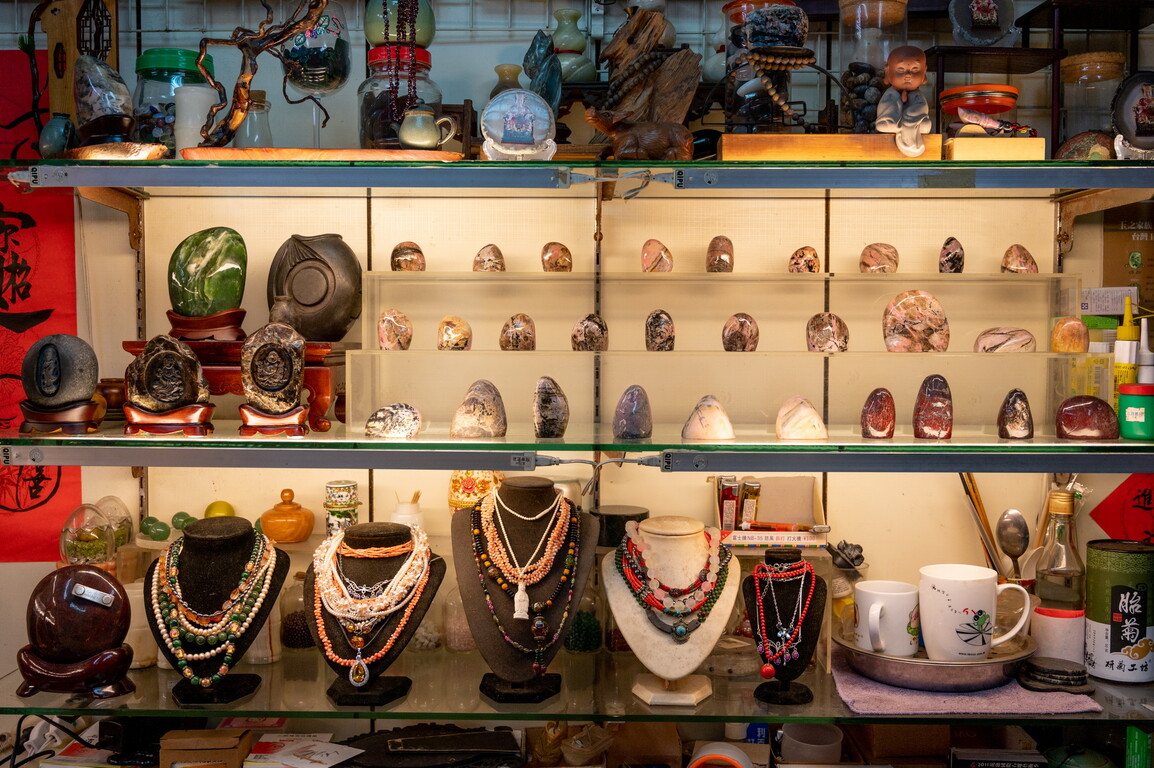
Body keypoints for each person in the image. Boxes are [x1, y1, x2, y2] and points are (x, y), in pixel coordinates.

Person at [874, 45, 931, 157]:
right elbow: (886, 107)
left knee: (926, 126)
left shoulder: (918, 95)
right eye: (901, 69)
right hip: (893, 121)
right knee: (882, 126)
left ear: (924, 72)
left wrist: (910, 114)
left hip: (914, 123)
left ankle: (906, 133)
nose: (908, 75)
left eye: (915, 69)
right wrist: (899, 102)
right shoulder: (890, 94)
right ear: (888, 72)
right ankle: (905, 132)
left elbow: (922, 108)